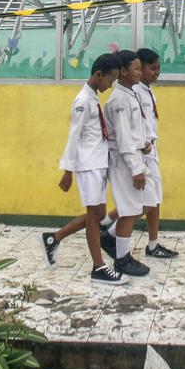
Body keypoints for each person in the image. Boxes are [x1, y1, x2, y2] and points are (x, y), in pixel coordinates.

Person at [41, 53, 126, 285]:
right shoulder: (82, 101)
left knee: (98, 215)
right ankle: (98, 268)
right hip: (88, 166)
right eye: (110, 80)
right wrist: (67, 170)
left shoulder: (92, 98)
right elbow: (74, 136)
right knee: (93, 217)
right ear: (98, 75)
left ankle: (54, 238)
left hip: (98, 164)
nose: (110, 86)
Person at [102, 49, 150, 277]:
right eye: (136, 69)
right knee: (129, 210)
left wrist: (145, 143)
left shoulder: (130, 94)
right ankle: (121, 260)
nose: (140, 73)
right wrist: (135, 168)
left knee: (133, 208)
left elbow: (133, 131)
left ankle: (113, 241)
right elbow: (122, 138)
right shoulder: (119, 100)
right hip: (124, 162)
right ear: (122, 72)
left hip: (133, 156)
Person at [133, 47, 178, 259]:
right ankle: (109, 229)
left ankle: (153, 244)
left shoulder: (148, 91)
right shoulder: (134, 92)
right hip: (141, 151)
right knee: (146, 201)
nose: (157, 73)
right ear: (139, 69)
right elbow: (133, 126)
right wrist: (143, 146)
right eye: (152, 69)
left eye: (158, 68)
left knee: (155, 198)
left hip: (151, 148)